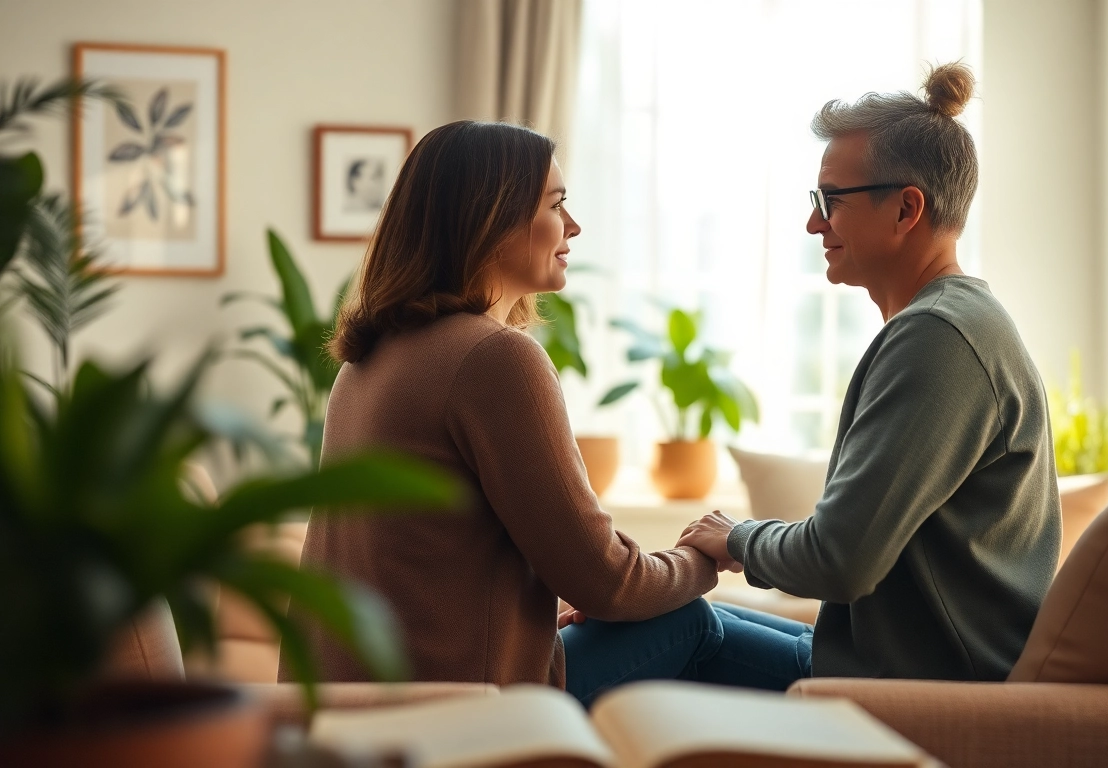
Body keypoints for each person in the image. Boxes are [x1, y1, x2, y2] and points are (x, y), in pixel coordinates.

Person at [286, 121, 726, 706]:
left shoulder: (371, 357)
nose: (573, 226)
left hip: (349, 706)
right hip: (458, 710)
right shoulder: (493, 358)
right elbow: (608, 582)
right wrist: (705, 557)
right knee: (698, 622)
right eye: (556, 205)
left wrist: (558, 600)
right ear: (490, 220)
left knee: (737, 625)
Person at [678, 62, 1061, 685]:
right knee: (681, 620)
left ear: (907, 208)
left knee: (669, 631)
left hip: (925, 693)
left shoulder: (939, 338)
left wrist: (738, 538)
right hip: (898, 666)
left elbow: (839, 558)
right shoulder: (957, 322)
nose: (814, 223)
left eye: (830, 200)